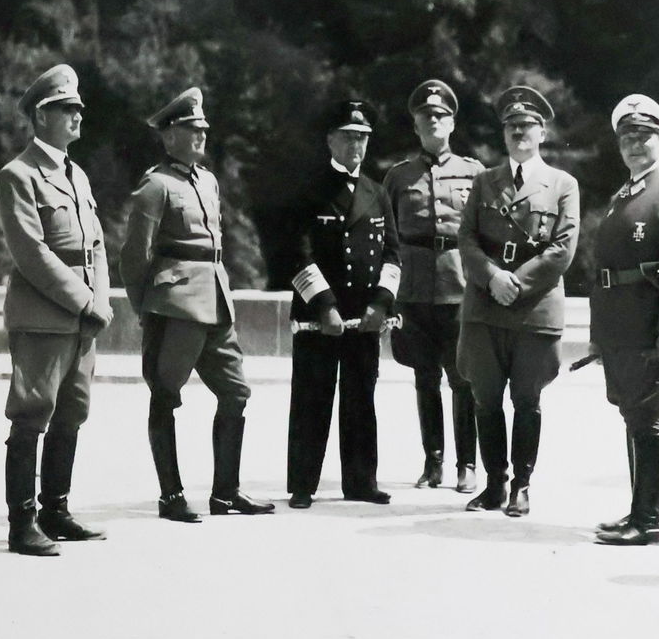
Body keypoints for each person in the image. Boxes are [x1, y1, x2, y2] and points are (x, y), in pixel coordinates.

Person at [121, 86, 275, 524]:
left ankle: (226, 492)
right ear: (169, 136)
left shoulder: (207, 181)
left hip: (216, 300)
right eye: (191, 129)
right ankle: (171, 496)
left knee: (236, 392)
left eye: (203, 128)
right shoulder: (156, 186)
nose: (200, 135)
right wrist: (145, 306)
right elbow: (134, 256)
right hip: (176, 305)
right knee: (165, 395)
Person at [0, 64, 113, 557]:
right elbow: (32, 254)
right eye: (67, 108)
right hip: (43, 316)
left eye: (79, 108)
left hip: (83, 318)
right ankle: (22, 524)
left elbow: (96, 245)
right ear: (41, 116)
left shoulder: (76, 175)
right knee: (32, 414)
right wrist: (84, 301)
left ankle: (55, 511)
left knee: (72, 413)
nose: (77, 116)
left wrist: (100, 300)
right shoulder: (18, 175)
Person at [587, 95, 659, 546]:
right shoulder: (624, 195)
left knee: (648, 419)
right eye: (627, 137)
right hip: (621, 327)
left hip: (650, 329)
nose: (635, 145)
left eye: (644, 136)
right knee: (633, 417)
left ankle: (648, 521)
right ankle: (636, 510)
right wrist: (599, 335)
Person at [456, 85, 580, 517]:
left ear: (542, 133)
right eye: (511, 126)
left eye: (527, 126)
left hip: (534, 309)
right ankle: (494, 485)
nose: (519, 132)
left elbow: (562, 249)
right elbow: (466, 238)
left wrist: (517, 283)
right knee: (486, 398)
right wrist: (492, 277)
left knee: (527, 400)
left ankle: (521, 487)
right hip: (485, 304)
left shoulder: (563, 184)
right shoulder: (484, 181)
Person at [283, 100, 402, 508]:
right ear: (330, 140)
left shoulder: (377, 192)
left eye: (362, 138)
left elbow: (392, 255)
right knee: (311, 397)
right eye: (348, 137)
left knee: (360, 399)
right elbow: (295, 253)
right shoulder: (307, 190)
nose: (356, 145)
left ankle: (361, 481)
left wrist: (381, 304)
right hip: (320, 315)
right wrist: (324, 305)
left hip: (363, 317)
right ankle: (303, 484)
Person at [382, 79, 485, 492]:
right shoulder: (399, 176)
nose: (433, 121)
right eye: (426, 117)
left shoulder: (474, 173)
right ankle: (433, 462)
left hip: (458, 287)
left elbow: (485, 233)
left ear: (452, 123)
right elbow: (386, 237)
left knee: (463, 379)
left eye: (441, 116)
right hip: (412, 290)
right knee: (424, 378)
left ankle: (467, 465)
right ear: (416, 126)